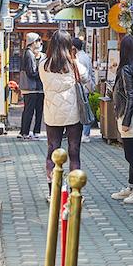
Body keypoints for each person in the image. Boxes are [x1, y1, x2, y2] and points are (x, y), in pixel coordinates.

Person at [39, 30, 88, 200]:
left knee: (52, 150)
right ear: (69, 45)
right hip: (73, 113)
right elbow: (86, 77)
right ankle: (75, 193)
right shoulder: (74, 65)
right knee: (74, 152)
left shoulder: (43, 65)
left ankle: (53, 192)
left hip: (52, 113)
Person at [109, 35, 133, 204]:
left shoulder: (125, 69)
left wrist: (125, 120)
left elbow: (131, 95)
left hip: (129, 115)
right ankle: (132, 187)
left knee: (130, 155)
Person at [18, 32, 44, 140]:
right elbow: (31, 72)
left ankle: (25, 132)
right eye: (37, 41)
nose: (39, 43)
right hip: (31, 87)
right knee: (30, 110)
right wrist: (42, 74)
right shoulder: (29, 54)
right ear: (32, 42)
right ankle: (25, 132)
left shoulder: (28, 53)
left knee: (29, 110)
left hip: (32, 88)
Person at [72, 37, 95, 143]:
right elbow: (91, 73)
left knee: (83, 110)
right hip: (86, 87)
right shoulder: (85, 56)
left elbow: (83, 75)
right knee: (84, 109)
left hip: (81, 87)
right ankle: (85, 133)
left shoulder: (78, 58)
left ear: (73, 47)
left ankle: (85, 134)